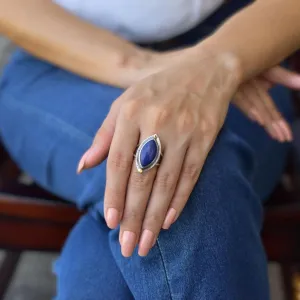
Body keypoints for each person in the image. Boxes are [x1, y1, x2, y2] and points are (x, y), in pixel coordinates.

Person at [0, 0, 300, 299]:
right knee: (174, 175)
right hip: (61, 54)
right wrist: (141, 65)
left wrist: (217, 63)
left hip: (242, 46)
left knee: (180, 181)